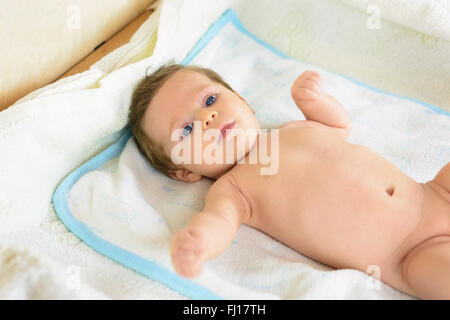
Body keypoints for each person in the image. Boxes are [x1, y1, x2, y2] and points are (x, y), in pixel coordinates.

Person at [128, 64, 450, 299]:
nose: (206, 118)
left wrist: (312, 100)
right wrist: (200, 240)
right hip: (409, 253)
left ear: (242, 101)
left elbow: (338, 127)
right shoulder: (234, 189)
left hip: (435, 192)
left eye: (210, 100)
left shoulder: (293, 129)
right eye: (186, 130)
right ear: (184, 172)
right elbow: (219, 221)